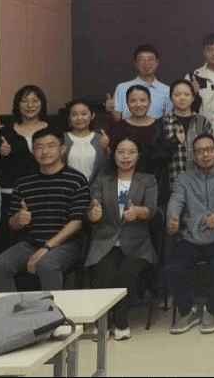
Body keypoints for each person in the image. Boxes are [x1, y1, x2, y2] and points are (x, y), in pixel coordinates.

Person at [0, 127, 90, 292]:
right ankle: (12, 307)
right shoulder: (23, 182)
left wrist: (47, 247)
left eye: (50, 146)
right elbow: (12, 224)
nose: (44, 152)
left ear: (62, 149)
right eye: (39, 147)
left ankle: (52, 308)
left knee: (46, 264)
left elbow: (77, 222)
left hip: (66, 244)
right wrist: (19, 219)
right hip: (30, 243)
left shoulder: (76, 180)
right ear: (33, 151)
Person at [164, 134, 214, 335]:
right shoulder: (183, 179)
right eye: (199, 151)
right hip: (190, 238)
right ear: (193, 155)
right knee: (172, 268)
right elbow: (176, 201)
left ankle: (210, 310)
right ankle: (188, 310)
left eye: (209, 149)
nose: (205, 154)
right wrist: (172, 219)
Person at [85, 138, 157, 340]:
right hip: (105, 241)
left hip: (136, 243)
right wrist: (93, 213)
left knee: (125, 275)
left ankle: (120, 322)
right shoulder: (103, 179)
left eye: (131, 152)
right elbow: (93, 206)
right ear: (113, 154)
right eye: (121, 152)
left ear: (138, 155)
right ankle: (102, 322)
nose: (126, 157)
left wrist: (138, 211)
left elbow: (152, 210)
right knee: (105, 275)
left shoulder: (148, 180)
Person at [0, 84, 48, 253]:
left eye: (35, 101)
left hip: (43, 192)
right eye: (24, 101)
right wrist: (1, 153)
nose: (30, 105)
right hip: (10, 193)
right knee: (7, 237)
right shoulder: (5, 131)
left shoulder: (51, 129)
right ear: (17, 104)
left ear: (42, 104)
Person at [157, 78, 213, 204]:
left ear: (193, 98)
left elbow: (211, 153)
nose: (182, 98)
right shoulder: (162, 122)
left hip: (201, 186)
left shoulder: (202, 121)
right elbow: (156, 154)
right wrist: (174, 141)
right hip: (172, 186)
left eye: (186, 95)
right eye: (177, 95)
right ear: (171, 98)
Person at [107, 85, 163, 174]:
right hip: (124, 178)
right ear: (127, 103)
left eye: (143, 100)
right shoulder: (118, 128)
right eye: (133, 101)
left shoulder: (160, 126)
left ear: (149, 102)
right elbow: (111, 159)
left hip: (155, 179)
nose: (138, 105)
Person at [107, 44, 171, 120]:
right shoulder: (122, 88)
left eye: (150, 59)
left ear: (157, 62)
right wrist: (111, 110)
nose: (146, 63)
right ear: (135, 63)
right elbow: (117, 119)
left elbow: (169, 119)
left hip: (157, 128)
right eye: (142, 60)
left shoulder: (167, 91)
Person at [63, 99, 107, 186]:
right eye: (74, 115)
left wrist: (106, 148)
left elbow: (105, 167)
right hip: (68, 188)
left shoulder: (100, 139)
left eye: (84, 114)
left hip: (94, 190)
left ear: (92, 115)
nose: (79, 118)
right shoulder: (62, 139)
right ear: (69, 117)